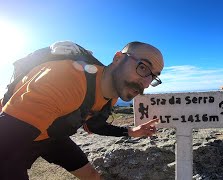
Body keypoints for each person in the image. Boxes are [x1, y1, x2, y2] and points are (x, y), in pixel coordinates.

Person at [0, 41, 164, 180]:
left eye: (153, 77)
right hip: (15, 134)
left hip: (52, 134)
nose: (146, 83)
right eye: (143, 68)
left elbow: (94, 125)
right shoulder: (65, 80)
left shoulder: (112, 93)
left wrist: (131, 132)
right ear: (118, 58)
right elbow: (5, 145)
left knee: (92, 176)